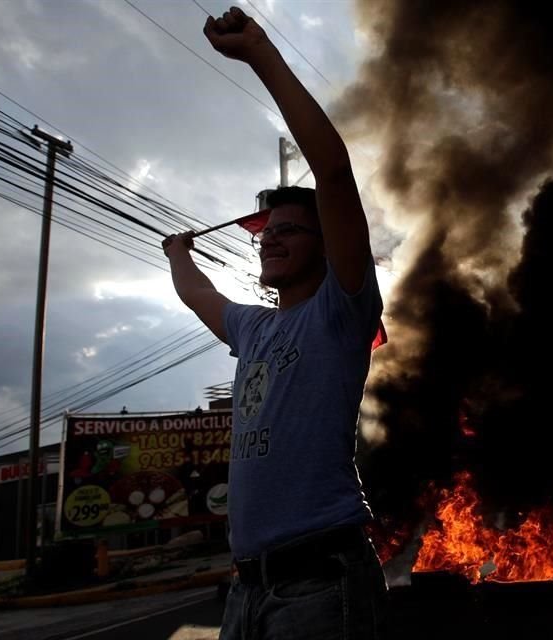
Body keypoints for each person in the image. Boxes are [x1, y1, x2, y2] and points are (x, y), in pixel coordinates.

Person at [162, 7, 387, 638]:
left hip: (321, 580)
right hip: (249, 587)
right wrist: (178, 255)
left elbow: (334, 170)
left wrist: (260, 54)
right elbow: (196, 292)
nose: (270, 241)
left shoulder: (341, 311)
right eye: (268, 234)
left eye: (289, 231)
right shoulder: (254, 330)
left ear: (327, 245)